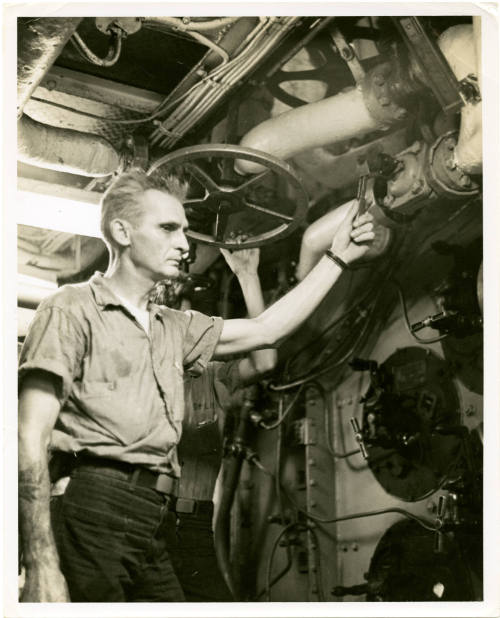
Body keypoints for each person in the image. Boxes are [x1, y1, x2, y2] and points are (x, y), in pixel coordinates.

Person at [18, 168, 376, 602]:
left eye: (185, 230)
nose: (185, 244)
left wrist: (336, 257)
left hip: (154, 514)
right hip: (94, 501)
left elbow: (266, 330)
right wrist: (40, 561)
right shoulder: (71, 309)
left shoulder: (174, 326)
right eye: (168, 228)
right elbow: (28, 437)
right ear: (122, 231)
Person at [167, 245, 276, 602]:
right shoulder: (139, 369)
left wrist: (247, 276)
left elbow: (264, 361)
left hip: (195, 525)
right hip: (143, 519)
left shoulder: (211, 376)